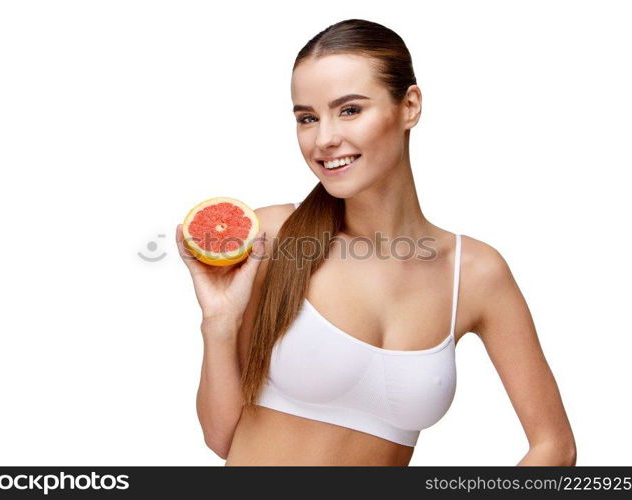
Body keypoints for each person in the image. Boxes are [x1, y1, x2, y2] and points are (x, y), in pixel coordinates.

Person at [175, 19, 576, 466]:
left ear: (409, 106)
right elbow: (221, 437)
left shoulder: (474, 273)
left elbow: (554, 448)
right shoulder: (274, 237)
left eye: (349, 110)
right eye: (307, 117)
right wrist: (219, 321)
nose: (324, 139)